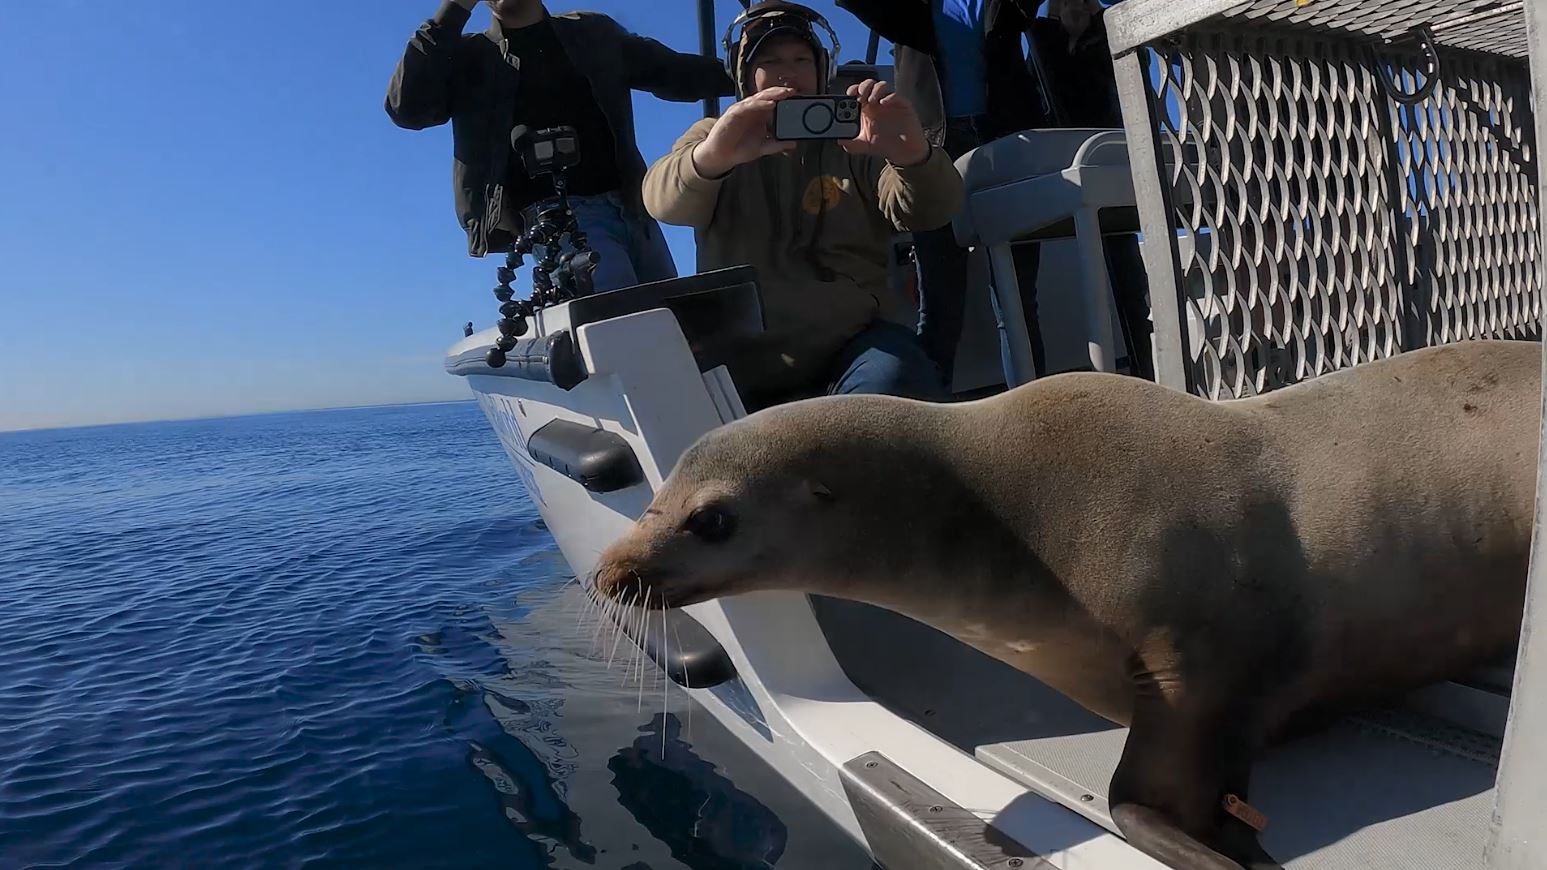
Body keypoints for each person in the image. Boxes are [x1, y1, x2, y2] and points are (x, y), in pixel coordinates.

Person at [642, 1, 964, 409]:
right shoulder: (716, 136)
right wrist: (713, 157)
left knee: (898, 388)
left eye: (800, 59)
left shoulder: (858, 139)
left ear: (822, 70)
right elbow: (663, 201)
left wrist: (912, 155)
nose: (786, 72)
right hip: (743, 352)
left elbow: (930, 212)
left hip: (855, 343)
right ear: (745, 76)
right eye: (770, 60)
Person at [386, 0, 735, 292]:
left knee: (673, 315)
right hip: (553, 217)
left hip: (631, 206)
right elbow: (407, 108)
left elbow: (672, 72)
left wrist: (754, 71)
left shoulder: (593, 33)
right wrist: (455, 9)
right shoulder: (469, 58)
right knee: (623, 317)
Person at [836, 0, 1052, 386]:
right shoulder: (911, 8)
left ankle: (1033, 412)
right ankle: (931, 416)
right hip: (933, 147)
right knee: (939, 298)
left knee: (1017, 299)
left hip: (1005, 139)